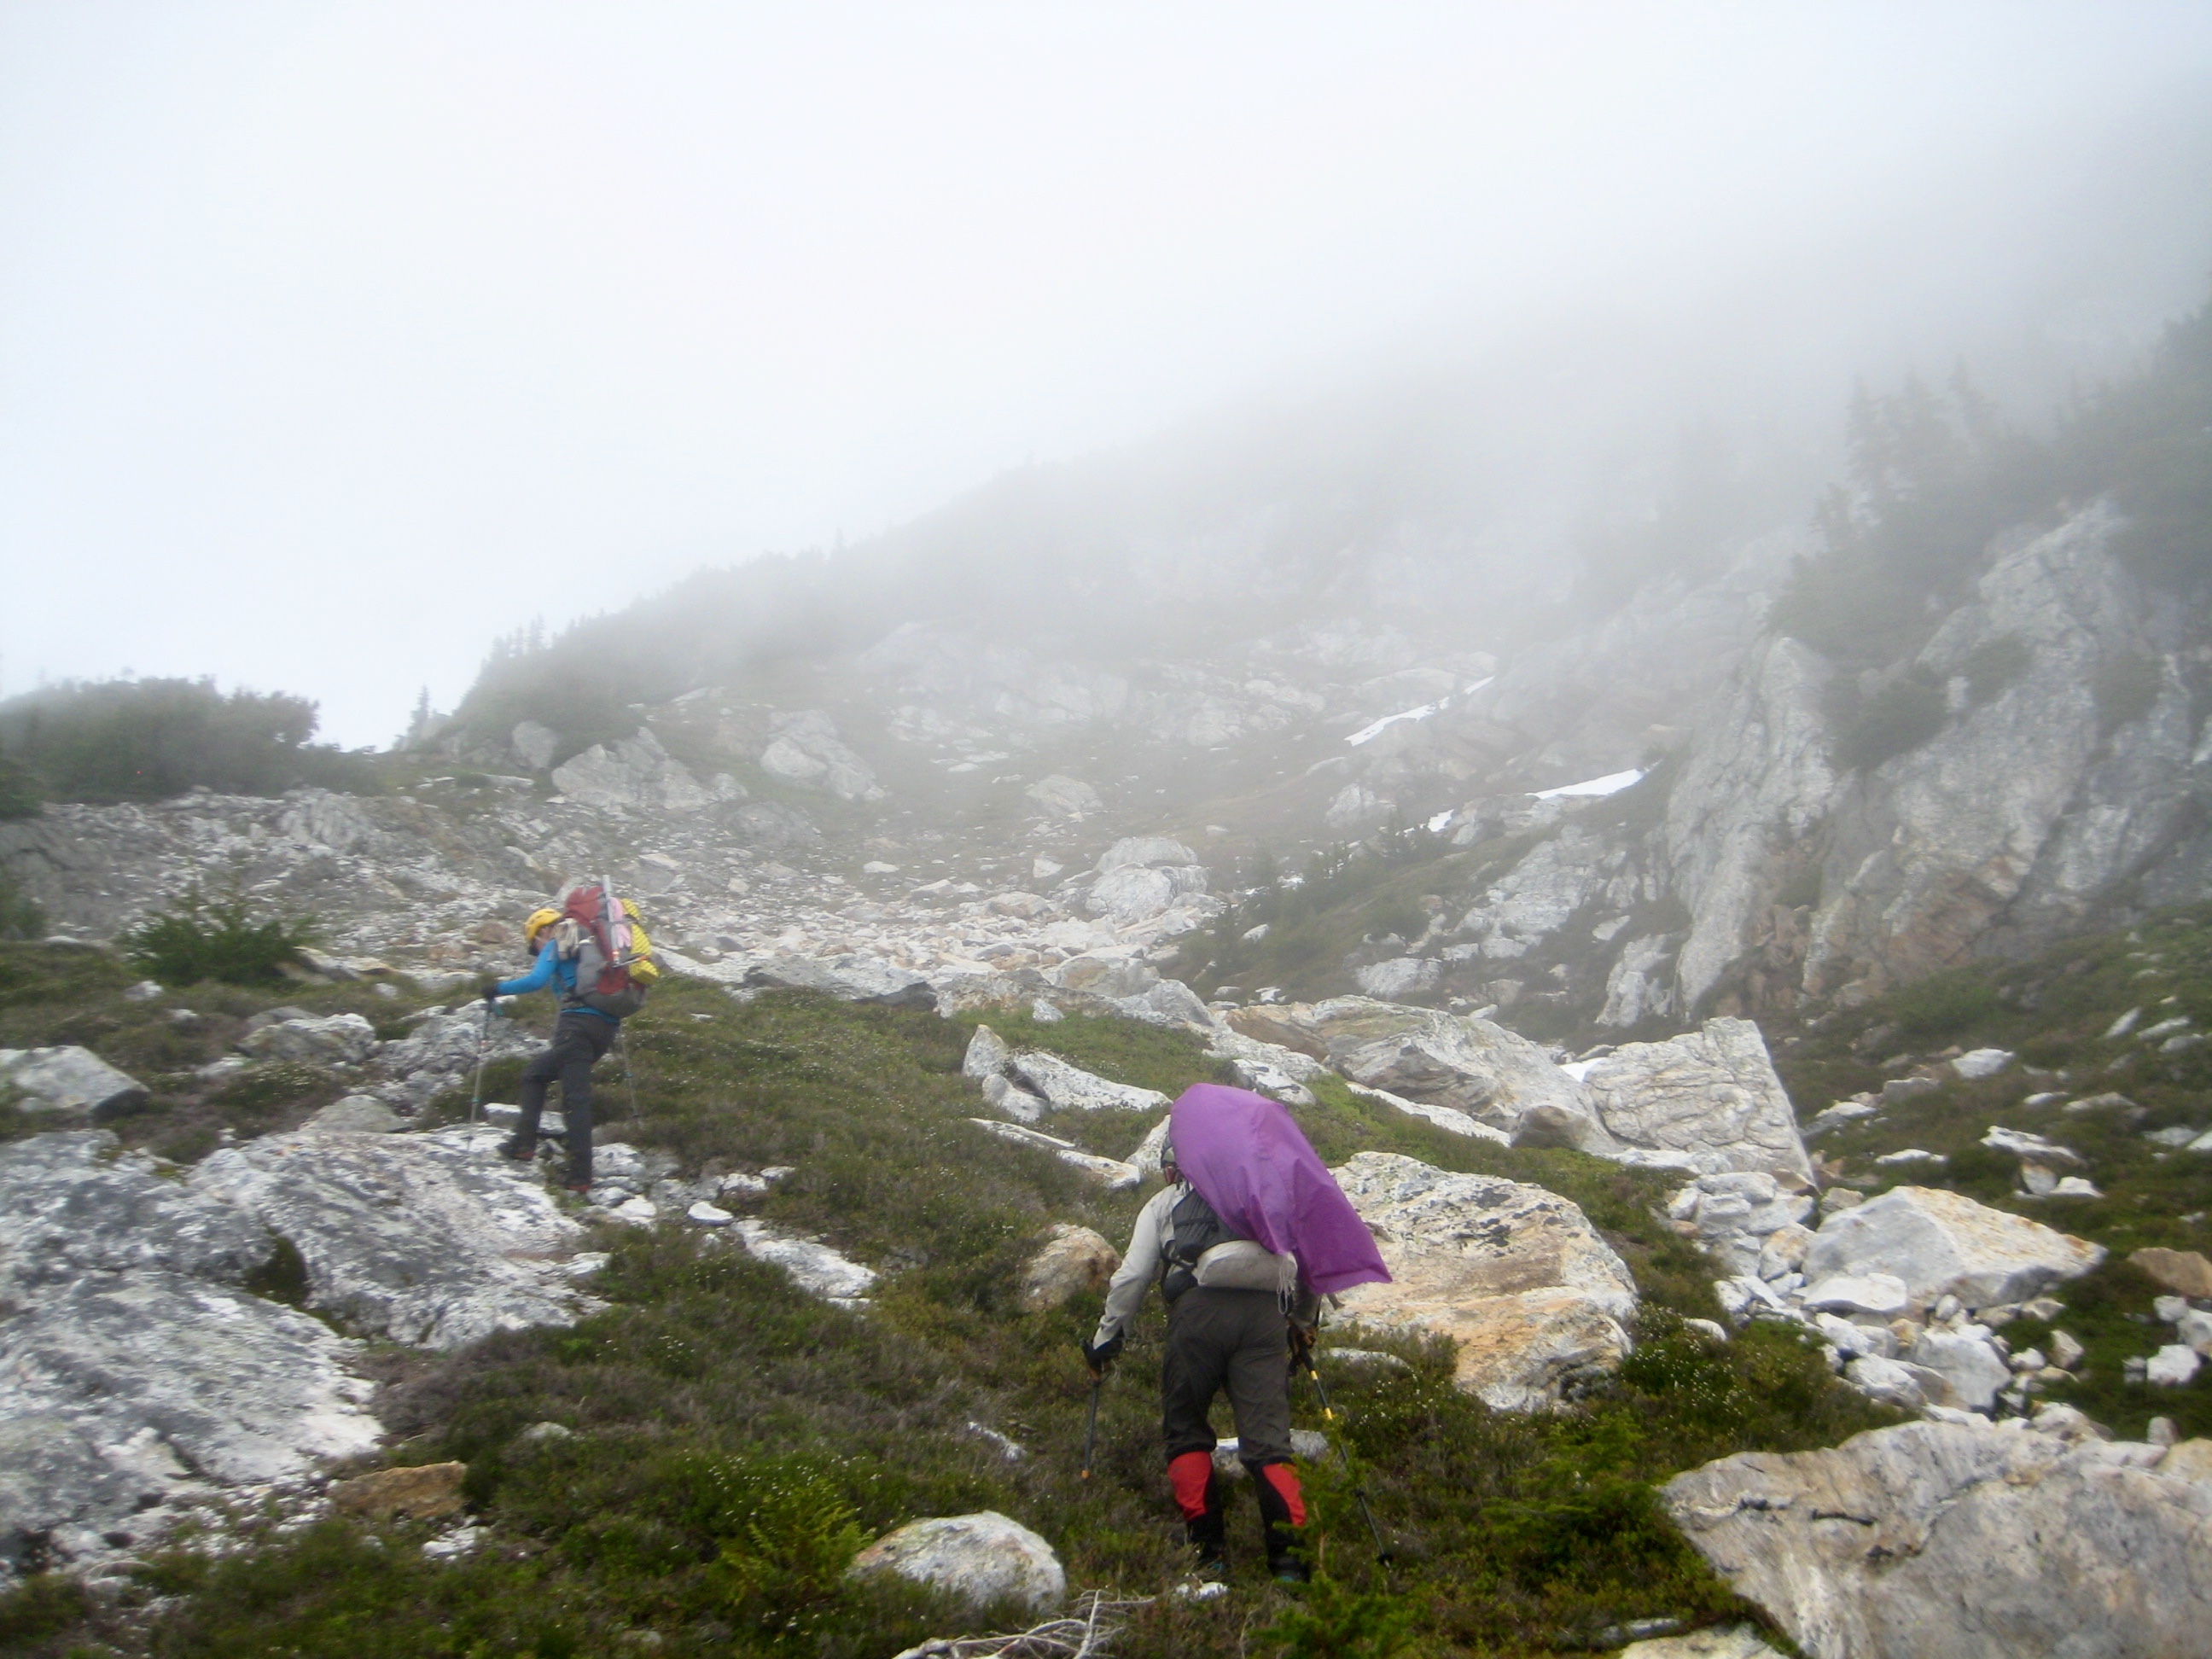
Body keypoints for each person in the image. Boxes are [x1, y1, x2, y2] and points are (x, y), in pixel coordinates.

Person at [1085, 1142, 1321, 1582]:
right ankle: (1292, 1566)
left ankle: (1208, 1556)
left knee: (1187, 1431)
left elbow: (1133, 1276)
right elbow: (1308, 1265)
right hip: (1265, 1320)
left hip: (1196, 1316)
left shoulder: (1165, 1203)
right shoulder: (1264, 1194)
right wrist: (1302, 1323)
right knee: (1270, 1443)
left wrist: (1107, 1340)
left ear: (1173, 1168)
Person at [482, 903, 629, 1192]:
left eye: (534, 945)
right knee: (541, 1077)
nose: (538, 951)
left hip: (575, 1028)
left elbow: (535, 980)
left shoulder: (556, 942)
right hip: (604, 1029)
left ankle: (575, 1173)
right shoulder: (590, 947)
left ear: (543, 931)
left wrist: (496, 989)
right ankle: (531, 1147)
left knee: (568, 1095)